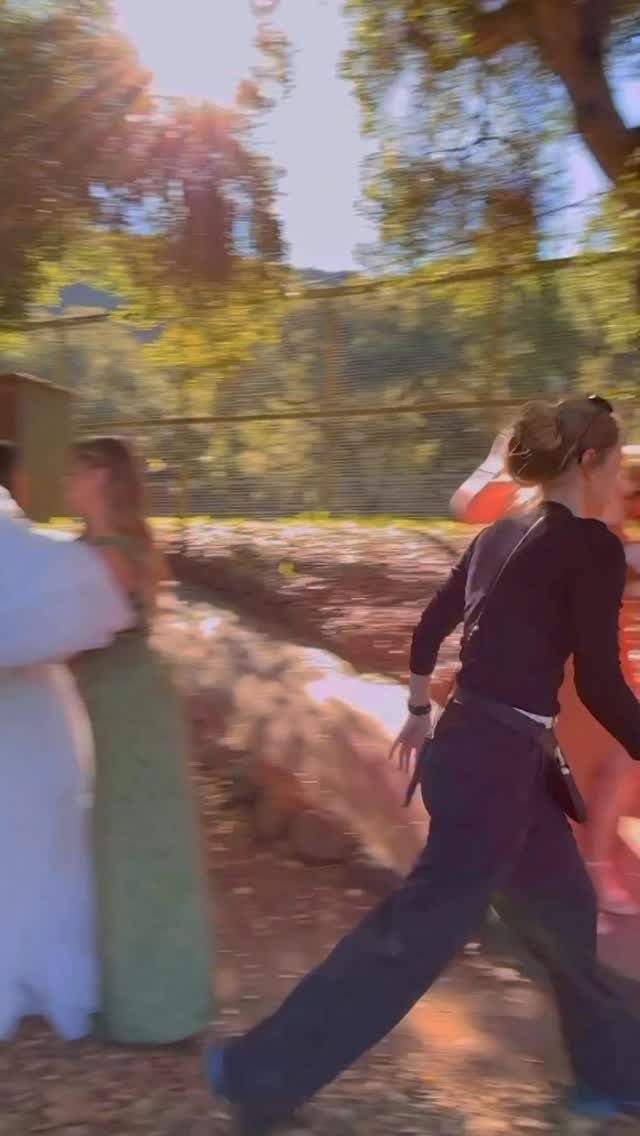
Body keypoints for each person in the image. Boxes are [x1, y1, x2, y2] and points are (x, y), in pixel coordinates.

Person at [206, 396, 640, 1130]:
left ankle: (612, 1076)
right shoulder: (590, 547)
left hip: (484, 756)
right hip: (495, 770)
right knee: (413, 938)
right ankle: (258, 1073)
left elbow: (433, 623)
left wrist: (416, 710)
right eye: (617, 467)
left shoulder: (502, 533)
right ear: (591, 463)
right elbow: (599, 682)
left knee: (565, 913)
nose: (621, 484)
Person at [450, 434, 640, 921]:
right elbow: (468, 506)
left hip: (601, 661)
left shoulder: (608, 497)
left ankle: (592, 871)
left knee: (617, 763)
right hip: (551, 668)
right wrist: (497, 460)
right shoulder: (538, 508)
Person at [66, 436, 213, 1045]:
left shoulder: (110, 557)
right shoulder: (91, 548)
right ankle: (132, 992)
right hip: (109, 704)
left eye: (75, 469)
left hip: (127, 713)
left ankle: (155, 1009)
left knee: (134, 848)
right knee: (114, 846)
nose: (65, 479)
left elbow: (71, 638)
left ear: (102, 476)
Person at [0, 440, 133, 1040]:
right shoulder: (37, 559)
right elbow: (90, 609)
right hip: (30, 713)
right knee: (43, 843)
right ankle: (42, 972)